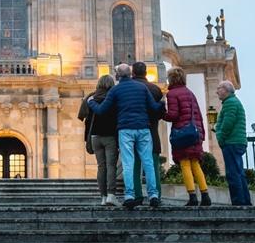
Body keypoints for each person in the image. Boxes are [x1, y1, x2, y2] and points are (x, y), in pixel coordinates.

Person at [88, 62, 164, 209]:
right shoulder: (142, 87)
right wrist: (162, 103)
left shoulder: (115, 90)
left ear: (117, 75)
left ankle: (130, 195)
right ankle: (153, 195)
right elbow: (154, 107)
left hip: (126, 129)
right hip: (143, 128)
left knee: (128, 163)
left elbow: (102, 110)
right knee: (147, 162)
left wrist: (91, 103)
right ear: (130, 74)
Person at [162, 68, 211, 206]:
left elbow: (173, 115)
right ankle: (205, 195)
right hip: (194, 133)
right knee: (195, 163)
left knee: (185, 164)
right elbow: (199, 116)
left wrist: (162, 113)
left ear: (171, 79)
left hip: (182, 134)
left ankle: (192, 197)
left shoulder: (172, 94)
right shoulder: (190, 93)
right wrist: (202, 135)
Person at [78, 74, 119, 206]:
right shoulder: (114, 97)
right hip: (110, 136)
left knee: (101, 167)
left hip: (95, 136)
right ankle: (111, 195)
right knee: (111, 166)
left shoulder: (91, 97)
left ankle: (103, 197)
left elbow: (81, 116)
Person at [130, 61, 164, 205]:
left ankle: (138, 195)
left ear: (133, 73)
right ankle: (156, 195)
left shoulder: (129, 88)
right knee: (153, 164)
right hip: (152, 130)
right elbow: (161, 112)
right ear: (146, 73)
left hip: (133, 130)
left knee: (135, 165)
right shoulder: (155, 89)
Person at [215, 80, 252, 206]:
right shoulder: (233, 102)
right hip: (237, 141)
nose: (217, 91)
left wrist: (220, 136)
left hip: (231, 142)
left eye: (219, 88)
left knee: (233, 173)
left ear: (226, 90)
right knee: (239, 172)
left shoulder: (230, 103)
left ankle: (238, 202)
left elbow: (228, 123)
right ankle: (245, 201)